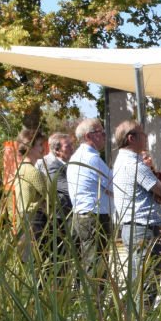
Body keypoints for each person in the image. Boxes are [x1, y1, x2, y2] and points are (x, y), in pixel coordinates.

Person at [111, 120, 161, 307]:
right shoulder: (135, 165)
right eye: (142, 133)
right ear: (131, 138)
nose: (146, 137)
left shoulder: (120, 161)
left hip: (133, 228)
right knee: (147, 285)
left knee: (140, 283)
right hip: (144, 229)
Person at [66, 119, 113, 287]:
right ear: (88, 136)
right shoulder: (91, 159)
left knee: (89, 263)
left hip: (83, 216)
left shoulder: (76, 158)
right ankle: (94, 307)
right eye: (101, 132)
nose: (105, 135)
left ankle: (89, 304)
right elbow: (114, 186)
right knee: (97, 267)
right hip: (95, 217)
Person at [13, 128, 52, 271]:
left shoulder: (20, 169)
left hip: (25, 219)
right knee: (39, 265)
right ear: (29, 147)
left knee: (30, 264)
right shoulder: (33, 172)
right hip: (36, 221)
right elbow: (50, 197)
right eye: (40, 145)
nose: (43, 148)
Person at [38, 131, 74, 276]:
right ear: (57, 150)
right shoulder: (53, 166)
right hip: (60, 221)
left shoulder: (65, 164)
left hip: (65, 219)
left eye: (72, 144)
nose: (72, 148)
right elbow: (70, 189)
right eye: (68, 145)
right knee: (60, 262)